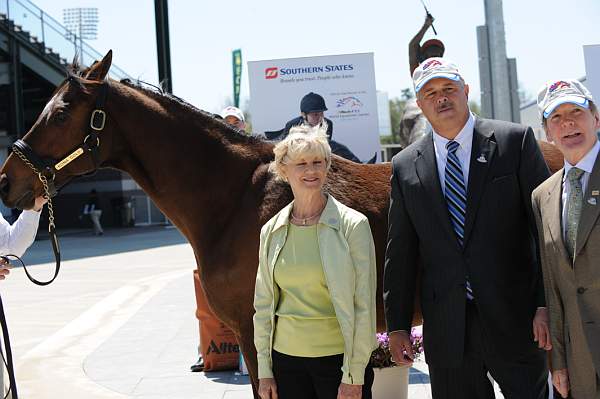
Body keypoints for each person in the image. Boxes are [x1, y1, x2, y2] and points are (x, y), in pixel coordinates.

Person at [384, 58, 551, 398]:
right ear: (419, 104)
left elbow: (545, 232)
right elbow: (400, 253)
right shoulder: (404, 166)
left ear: (466, 91)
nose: (441, 98)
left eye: (448, 88)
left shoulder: (514, 142)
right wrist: (398, 326)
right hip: (449, 331)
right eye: (430, 93)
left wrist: (545, 304)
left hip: (516, 320)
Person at [254, 125, 377, 399]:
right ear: (284, 171)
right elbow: (262, 306)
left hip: (338, 364)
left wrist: (354, 375)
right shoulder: (271, 231)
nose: (311, 171)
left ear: (327, 166)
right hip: (286, 365)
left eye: (317, 162)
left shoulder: (353, 226)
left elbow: (364, 306)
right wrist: (264, 371)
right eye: (301, 164)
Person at [532, 79, 600, 399]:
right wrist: (558, 361)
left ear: (596, 118)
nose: (568, 122)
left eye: (576, 111)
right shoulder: (542, 196)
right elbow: (554, 285)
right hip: (581, 363)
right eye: (556, 117)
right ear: (547, 132)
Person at [268, 92, 361, 163]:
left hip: (317, 159)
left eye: (322, 114)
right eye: (315, 115)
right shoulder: (292, 125)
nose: (320, 118)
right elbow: (284, 153)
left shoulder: (328, 124)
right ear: (303, 115)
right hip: (297, 160)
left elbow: (326, 150)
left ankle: (358, 164)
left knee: (338, 148)